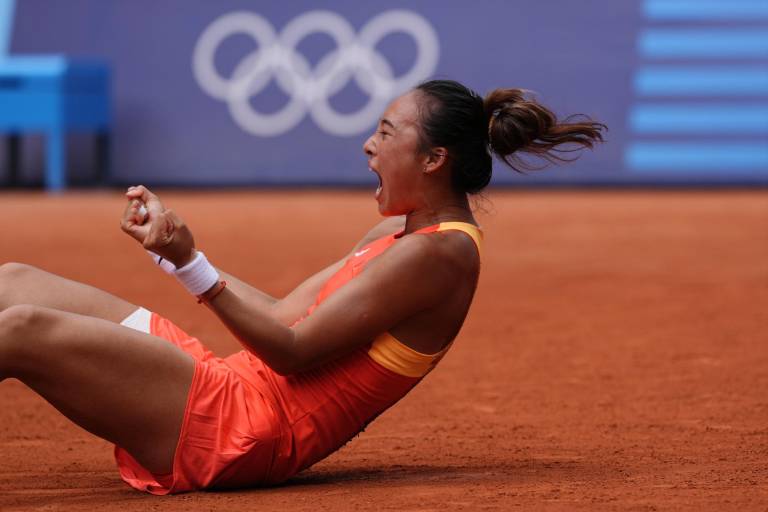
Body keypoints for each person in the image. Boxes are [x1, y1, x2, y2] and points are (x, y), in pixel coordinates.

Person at [0, 80, 605, 494]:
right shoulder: (398, 234)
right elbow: (284, 313)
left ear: (433, 159)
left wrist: (194, 266)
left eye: (387, 132)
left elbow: (291, 352)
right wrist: (177, 257)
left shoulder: (441, 253)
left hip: (239, 431)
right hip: (224, 384)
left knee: (23, 328)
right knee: (16, 282)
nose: (370, 144)